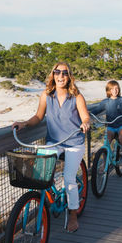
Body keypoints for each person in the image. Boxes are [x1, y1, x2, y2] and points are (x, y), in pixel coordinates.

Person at [12, 62, 90, 233]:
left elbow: (85, 116)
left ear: (69, 76)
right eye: (57, 72)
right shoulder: (46, 95)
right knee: (39, 175)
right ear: (53, 75)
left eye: (65, 73)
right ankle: (50, 194)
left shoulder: (77, 96)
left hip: (74, 143)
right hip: (54, 141)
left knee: (69, 179)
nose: (61, 76)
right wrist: (24, 124)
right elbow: (38, 116)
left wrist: (85, 123)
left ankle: (73, 215)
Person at [91, 80, 122, 164]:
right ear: (108, 90)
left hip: (121, 125)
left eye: (116, 88)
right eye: (112, 89)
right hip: (110, 126)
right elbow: (97, 110)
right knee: (106, 143)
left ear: (119, 89)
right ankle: (104, 163)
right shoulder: (106, 102)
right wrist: (88, 114)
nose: (115, 90)